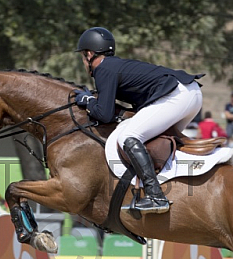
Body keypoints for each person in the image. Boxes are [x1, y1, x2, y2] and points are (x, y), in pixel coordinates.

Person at [74, 27, 203, 214]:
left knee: (128, 136)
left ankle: (156, 197)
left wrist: (87, 101)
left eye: (82, 58)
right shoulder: (114, 66)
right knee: (157, 142)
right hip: (190, 93)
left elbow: (104, 114)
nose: (84, 63)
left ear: (89, 54)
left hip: (177, 95)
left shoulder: (103, 69)